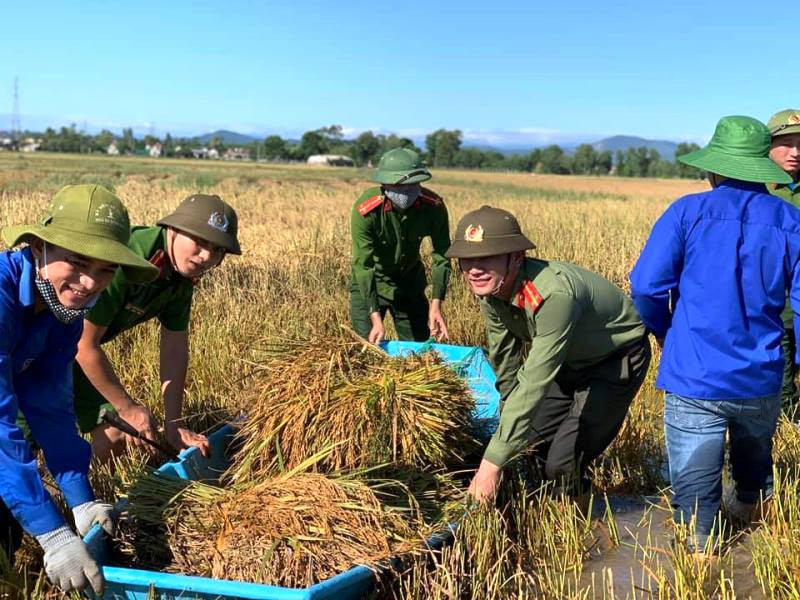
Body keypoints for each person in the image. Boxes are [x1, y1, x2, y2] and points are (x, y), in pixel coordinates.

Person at [630, 115, 800, 555]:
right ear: (764, 166)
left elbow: (647, 286)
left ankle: (701, 561)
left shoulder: (686, 212)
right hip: (760, 376)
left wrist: (666, 332)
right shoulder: (790, 221)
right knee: (751, 483)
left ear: (714, 168)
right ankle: (750, 533)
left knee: (695, 506)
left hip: (695, 375)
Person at [0, 184, 159, 594]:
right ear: (38, 247)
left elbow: (50, 409)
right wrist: (53, 534)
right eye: (78, 261)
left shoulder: (61, 312)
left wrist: (80, 498)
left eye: (107, 269)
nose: (90, 282)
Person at [445, 205, 650, 505]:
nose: (474, 269)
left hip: (615, 360)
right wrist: (505, 431)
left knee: (561, 464)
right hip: (570, 360)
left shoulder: (553, 295)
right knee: (526, 445)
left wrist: (490, 467)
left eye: (486, 258)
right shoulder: (492, 292)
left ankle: (579, 518)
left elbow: (536, 377)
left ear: (516, 257)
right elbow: (505, 361)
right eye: (467, 260)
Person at [73, 194, 241, 464]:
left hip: (67, 348)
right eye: (199, 241)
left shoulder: (180, 278)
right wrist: (127, 407)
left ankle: (81, 497)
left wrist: (174, 424)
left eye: (218, 249)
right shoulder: (130, 258)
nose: (207, 255)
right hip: (34, 346)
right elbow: (83, 343)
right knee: (21, 446)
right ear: (172, 230)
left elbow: (174, 348)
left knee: (119, 433)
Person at [350, 148, 451, 344]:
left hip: (409, 284)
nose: (405, 191)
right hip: (371, 284)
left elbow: (442, 255)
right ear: (384, 184)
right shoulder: (367, 210)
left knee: (419, 350)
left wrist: (437, 303)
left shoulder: (433, 207)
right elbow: (364, 265)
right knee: (367, 349)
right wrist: (375, 317)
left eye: (412, 185)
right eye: (398, 186)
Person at [766, 109, 800, 417]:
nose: (795, 152)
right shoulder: (753, 191)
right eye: (786, 143)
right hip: (773, 306)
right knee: (782, 378)